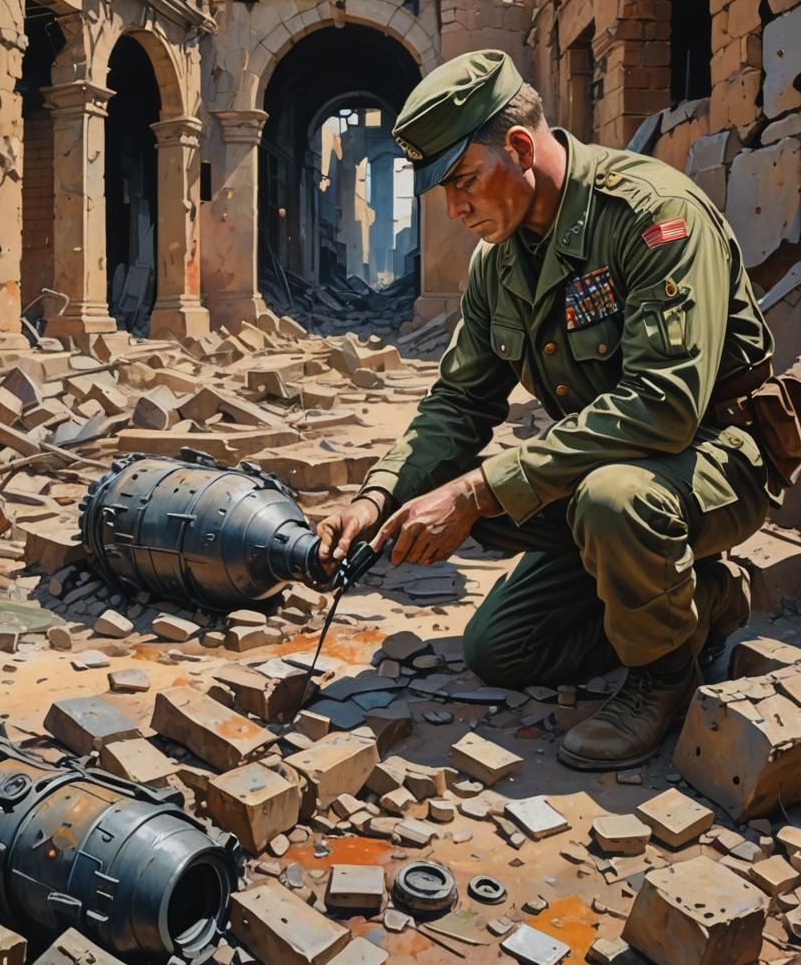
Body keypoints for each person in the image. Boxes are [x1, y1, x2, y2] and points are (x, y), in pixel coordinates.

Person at [316, 49, 781, 771]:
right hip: (604, 470)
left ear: (520, 147)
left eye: (463, 181)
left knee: (601, 499)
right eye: (444, 191)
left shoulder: (652, 215)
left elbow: (664, 405)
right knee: (501, 650)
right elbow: (459, 402)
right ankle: (704, 599)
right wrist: (378, 499)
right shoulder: (498, 262)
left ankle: (662, 678)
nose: (455, 209)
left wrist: (477, 491)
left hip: (716, 456)